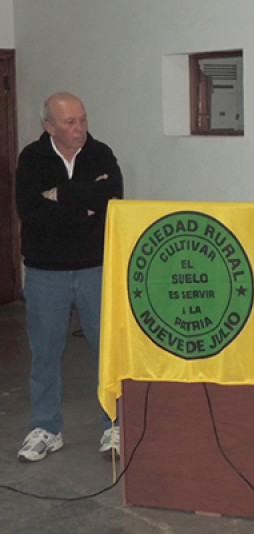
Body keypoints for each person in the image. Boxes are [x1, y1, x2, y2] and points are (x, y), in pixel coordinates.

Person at [15, 92, 124, 462]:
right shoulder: (32, 158)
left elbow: (112, 199)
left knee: (107, 351)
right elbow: (30, 211)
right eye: (70, 122)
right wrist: (84, 209)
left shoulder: (101, 154)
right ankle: (46, 428)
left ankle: (113, 424)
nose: (80, 128)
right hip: (46, 272)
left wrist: (59, 194)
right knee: (44, 354)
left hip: (96, 268)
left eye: (83, 119)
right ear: (50, 127)